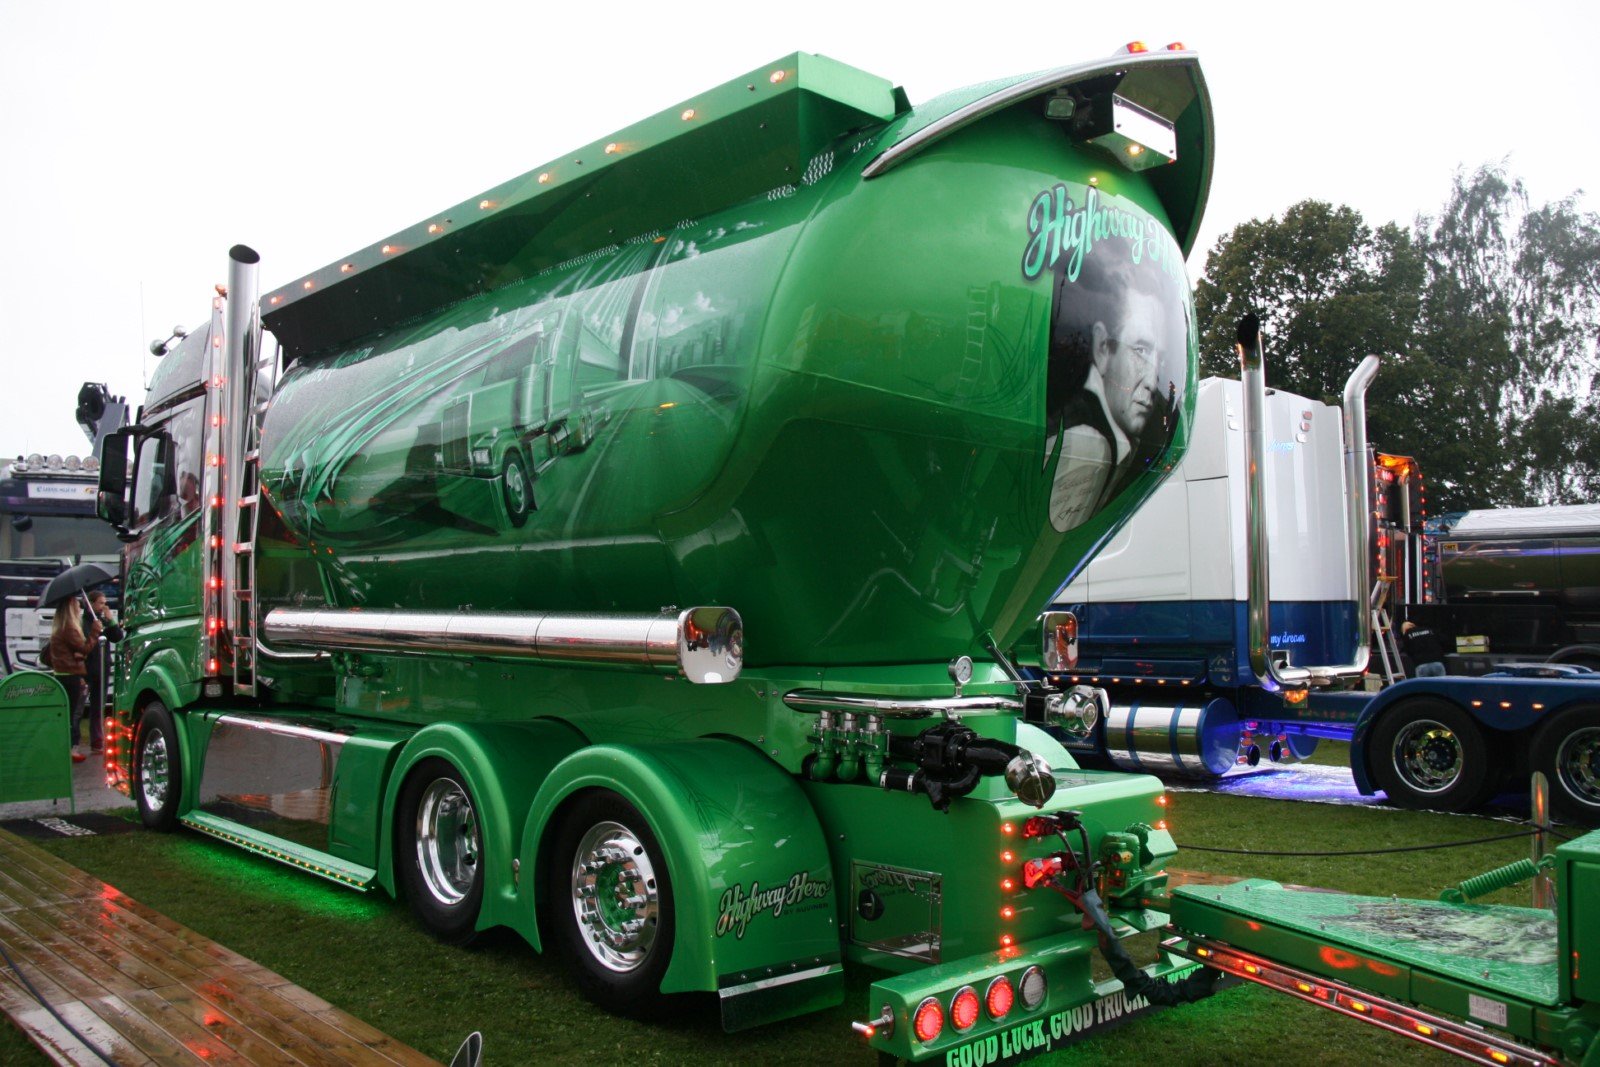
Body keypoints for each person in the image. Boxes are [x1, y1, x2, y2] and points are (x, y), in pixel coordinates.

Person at [1043, 249, 1181, 533]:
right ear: (1102, 348)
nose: (1152, 382)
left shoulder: (1104, 439)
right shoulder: (1087, 445)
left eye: (1161, 361)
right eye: (1141, 350)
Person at [49, 596, 102, 763]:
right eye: (77, 606)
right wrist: (95, 631)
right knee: (73, 714)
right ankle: (71, 747)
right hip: (71, 676)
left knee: (69, 713)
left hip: (62, 674)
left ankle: (68, 746)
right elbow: (84, 648)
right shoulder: (69, 629)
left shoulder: (60, 628)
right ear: (71, 609)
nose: (79, 609)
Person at [84, 590, 124, 755]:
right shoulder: (85, 621)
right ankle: (74, 741)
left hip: (102, 667)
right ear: (91, 604)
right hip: (86, 667)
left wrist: (111, 620)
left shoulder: (103, 622)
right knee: (79, 706)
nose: (103, 606)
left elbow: (117, 636)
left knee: (98, 705)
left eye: (105, 603)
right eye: (100, 603)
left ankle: (97, 741)